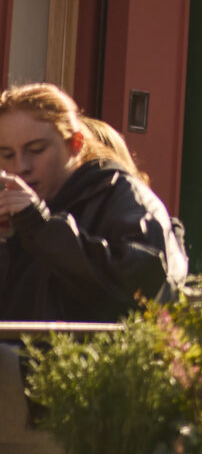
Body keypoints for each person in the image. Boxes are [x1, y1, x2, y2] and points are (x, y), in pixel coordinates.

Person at [0, 83, 186, 319]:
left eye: (36, 149)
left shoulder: (123, 196)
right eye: (6, 154)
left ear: (75, 144)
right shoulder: (20, 206)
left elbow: (140, 291)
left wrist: (42, 228)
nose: (21, 166)